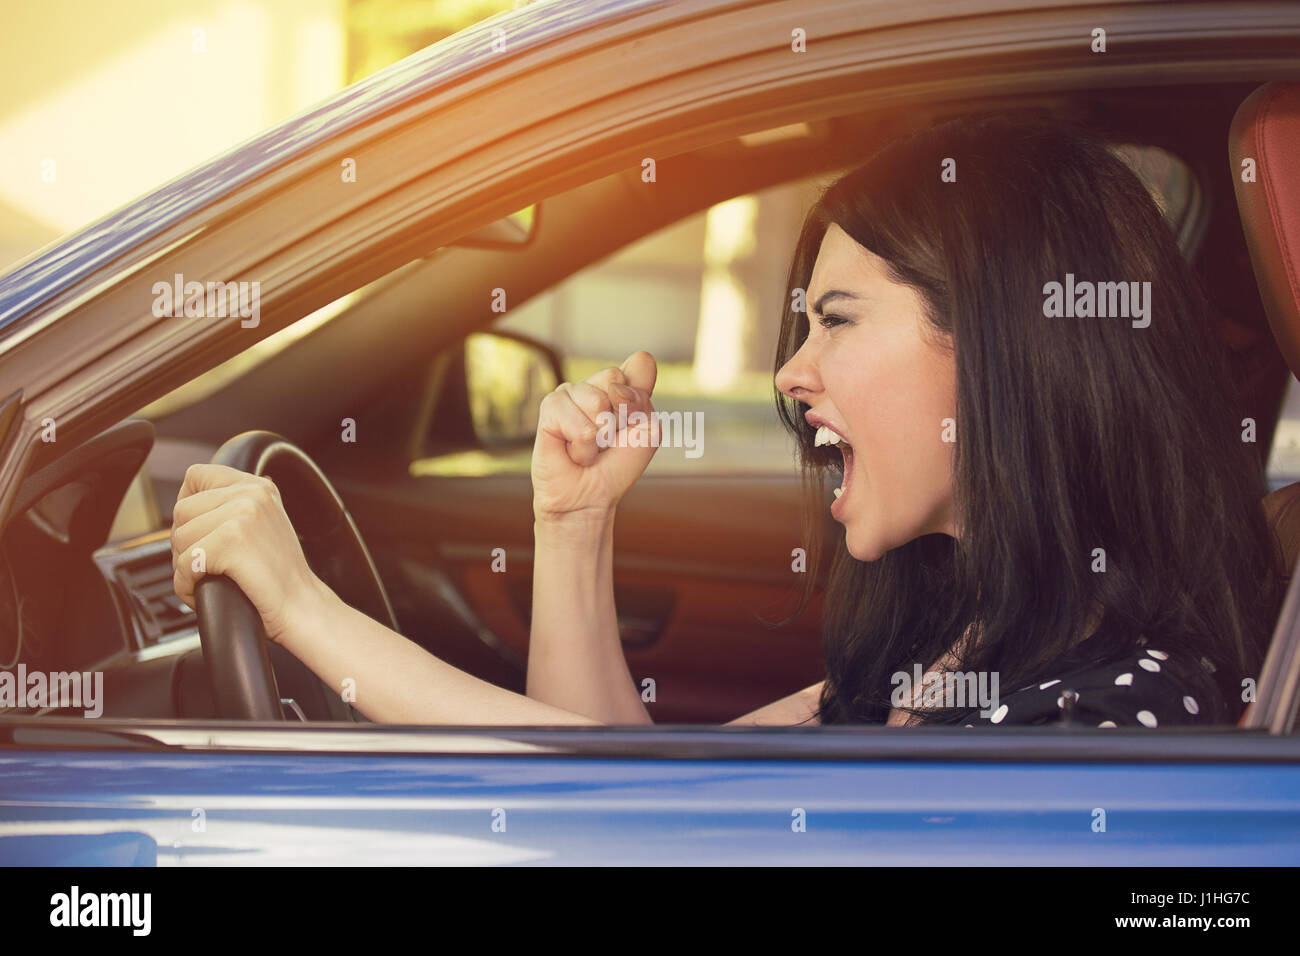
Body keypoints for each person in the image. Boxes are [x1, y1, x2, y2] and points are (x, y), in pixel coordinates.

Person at [170, 113, 1283, 727]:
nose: (789, 373)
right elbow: (636, 801)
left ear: (1000, 348)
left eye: (835, 321)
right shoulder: (958, 628)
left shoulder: (1107, 718)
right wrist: (573, 525)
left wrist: (299, 606)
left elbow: (603, 817)